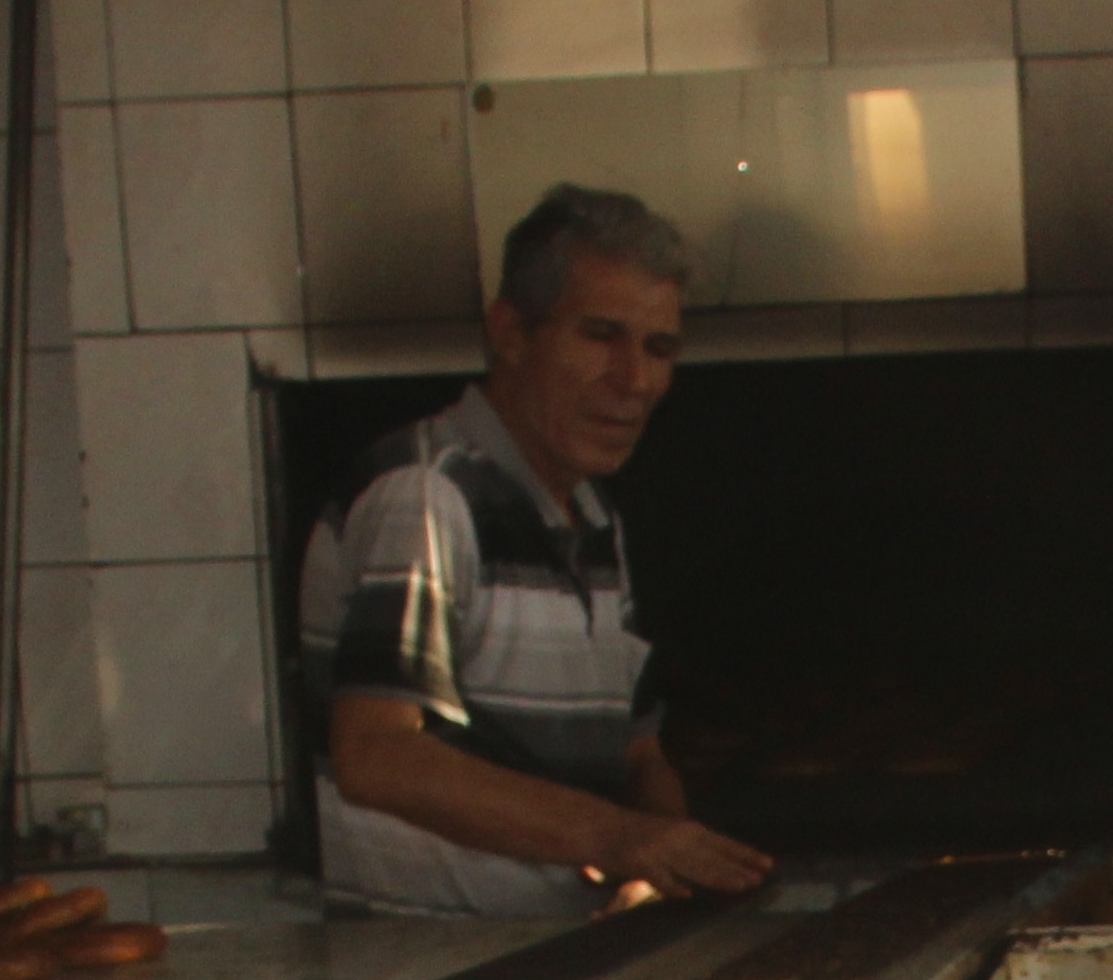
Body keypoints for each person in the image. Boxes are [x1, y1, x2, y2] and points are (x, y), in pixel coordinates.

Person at [296, 184, 770, 916]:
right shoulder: (426, 495)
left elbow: (638, 754)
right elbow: (377, 756)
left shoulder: (593, 517)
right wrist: (620, 839)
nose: (635, 380)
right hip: (434, 977)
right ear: (511, 333)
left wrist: (660, 860)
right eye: (600, 336)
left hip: (563, 963)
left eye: (659, 348)